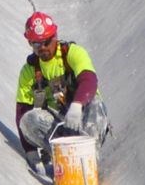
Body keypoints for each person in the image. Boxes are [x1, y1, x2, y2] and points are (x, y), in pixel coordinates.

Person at [16, 11, 111, 173]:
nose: (43, 48)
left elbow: (89, 80)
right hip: (58, 124)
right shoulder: (29, 71)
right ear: (30, 44)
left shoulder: (73, 53)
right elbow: (22, 111)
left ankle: (89, 157)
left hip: (85, 117)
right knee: (27, 120)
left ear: (55, 36)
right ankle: (62, 156)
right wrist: (30, 151)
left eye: (47, 41)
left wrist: (77, 105)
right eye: (37, 44)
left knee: (94, 102)